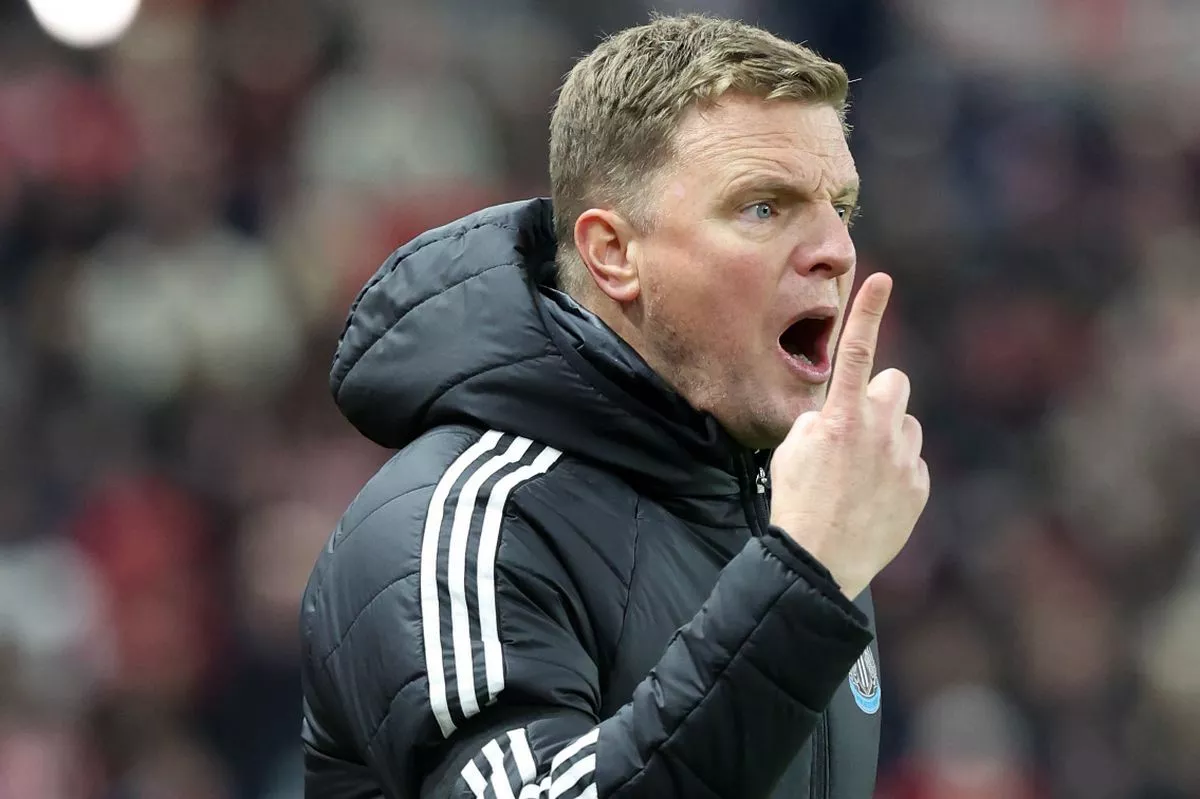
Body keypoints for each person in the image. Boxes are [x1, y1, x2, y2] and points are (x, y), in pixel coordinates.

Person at [300, 12, 929, 799]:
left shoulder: (793, 512)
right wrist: (805, 578)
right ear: (614, 253)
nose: (835, 248)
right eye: (764, 207)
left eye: (842, 206)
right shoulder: (462, 521)